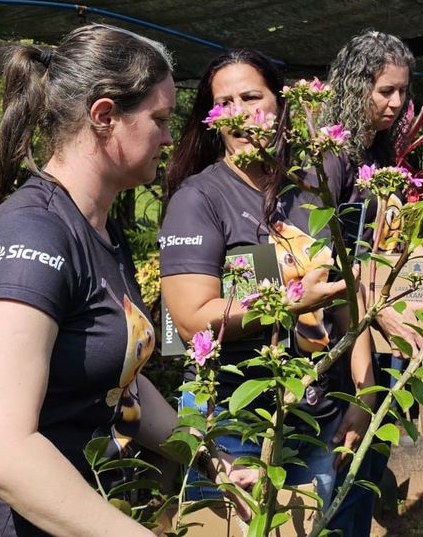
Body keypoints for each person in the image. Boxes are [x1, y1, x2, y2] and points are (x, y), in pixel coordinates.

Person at [0, 24, 206, 536]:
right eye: (160, 119)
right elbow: (0, 450)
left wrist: (205, 450)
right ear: (105, 116)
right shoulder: (32, 239)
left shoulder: (101, 228)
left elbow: (115, 375)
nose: (170, 138)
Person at [159, 48, 375, 508]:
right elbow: (191, 321)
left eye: (252, 97)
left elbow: (345, 295)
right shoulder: (200, 199)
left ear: (281, 104)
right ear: (212, 118)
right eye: (225, 102)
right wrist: (291, 303)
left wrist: (364, 391)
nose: (239, 113)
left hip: (319, 415)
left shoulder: (313, 184)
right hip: (232, 424)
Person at [319, 29, 423, 536]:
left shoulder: (379, 155)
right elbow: (321, 254)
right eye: (384, 90)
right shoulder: (331, 155)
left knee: (368, 456)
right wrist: (374, 310)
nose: (395, 103)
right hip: (336, 326)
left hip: (372, 320)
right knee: (342, 458)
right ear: (353, 84)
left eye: (402, 92)